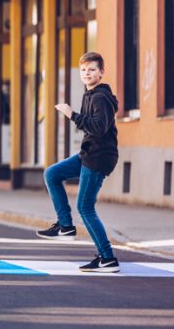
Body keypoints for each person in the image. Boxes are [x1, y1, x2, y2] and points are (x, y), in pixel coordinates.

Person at [37, 52, 120, 273]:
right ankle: (65, 226)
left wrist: (71, 114)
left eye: (92, 69)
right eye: (83, 70)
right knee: (52, 174)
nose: (87, 73)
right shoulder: (90, 94)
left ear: (101, 72)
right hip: (89, 153)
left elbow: (99, 127)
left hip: (99, 156)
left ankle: (107, 258)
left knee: (85, 207)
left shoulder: (100, 97)